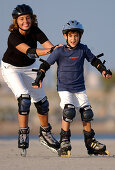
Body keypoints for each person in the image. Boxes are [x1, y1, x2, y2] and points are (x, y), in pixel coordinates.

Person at [32, 20, 112, 157]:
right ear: (65, 36)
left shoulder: (83, 49)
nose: (73, 39)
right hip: (64, 87)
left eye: (76, 36)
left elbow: (94, 61)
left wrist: (103, 71)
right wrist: (38, 78)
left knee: (87, 113)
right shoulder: (59, 51)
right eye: (71, 36)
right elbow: (46, 64)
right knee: (68, 111)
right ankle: (64, 141)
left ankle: (90, 142)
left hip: (80, 87)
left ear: (80, 36)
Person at [1, 4, 60, 156]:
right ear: (16, 21)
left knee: (42, 103)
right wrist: (52, 50)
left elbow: (50, 47)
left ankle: (45, 133)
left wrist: (59, 51)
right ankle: (23, 133)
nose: (25, 21)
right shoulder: (13, 36)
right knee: (24, 99)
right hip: (11, 68)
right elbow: (30, 52)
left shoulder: (35, 31)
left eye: (28, 18)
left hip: (29, 67)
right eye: (21, 19)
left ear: (32, 19)